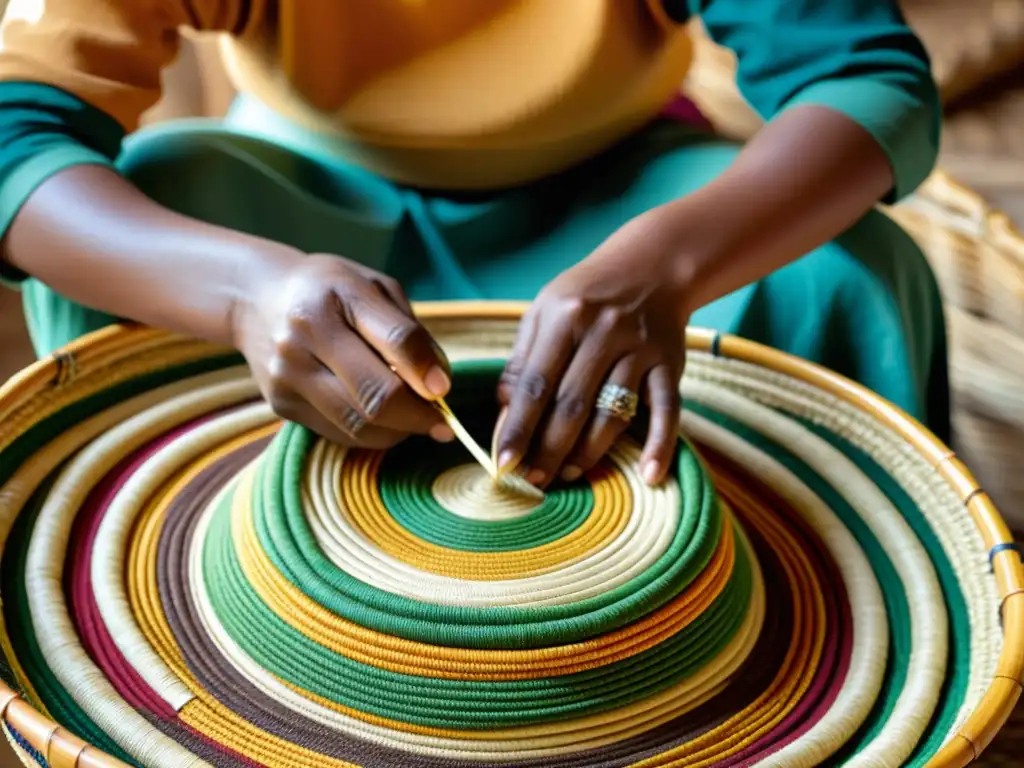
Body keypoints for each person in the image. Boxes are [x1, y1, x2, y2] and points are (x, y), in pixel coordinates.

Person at [0, 0, 946, 489]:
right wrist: (246, 293)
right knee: (154, 200)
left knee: (847, 271)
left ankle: (768, 613)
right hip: (293, 219)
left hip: (619, 206)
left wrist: (663, 268)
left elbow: (865, 77)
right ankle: (197, 568)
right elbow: (18, 134)